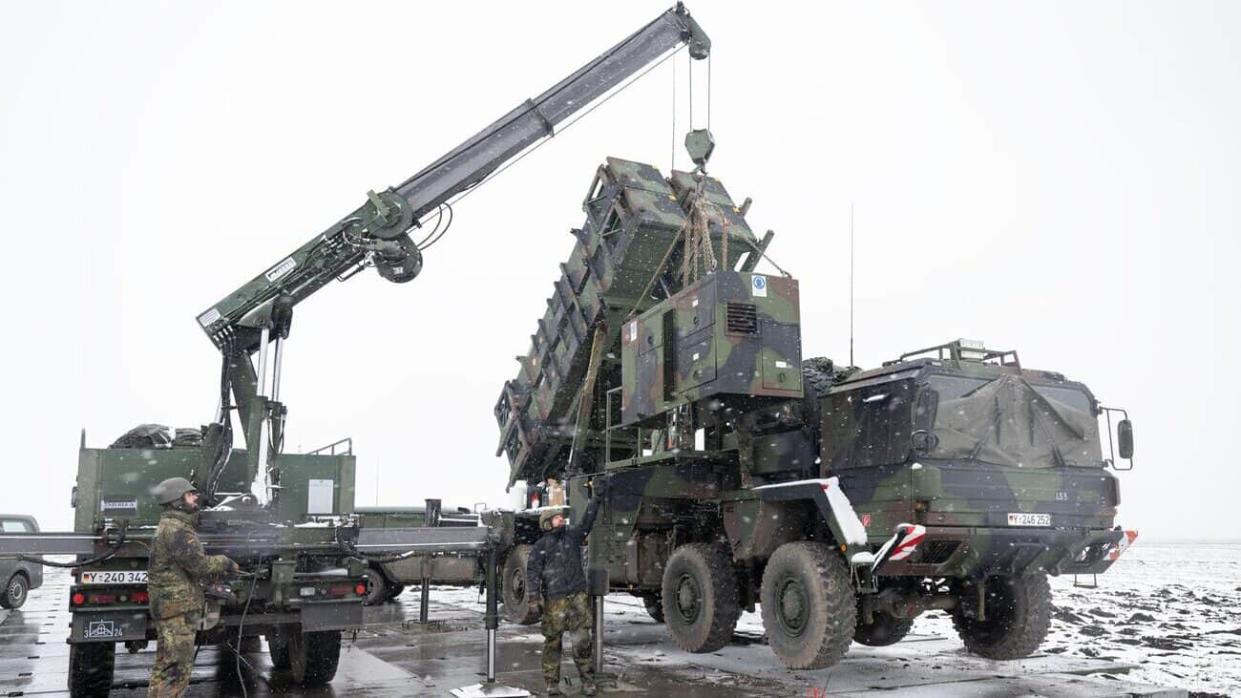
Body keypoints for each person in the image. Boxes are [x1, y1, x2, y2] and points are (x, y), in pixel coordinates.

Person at [146, 477, 238, 697]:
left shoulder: (171, 526)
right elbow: (198, 565)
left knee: (165, 667)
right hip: (177, 609)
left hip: (170, 607)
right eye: (189, 494)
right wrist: (225, 562)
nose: (195, 497)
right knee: (176, 671)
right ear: (177, 501)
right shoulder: (178, 531)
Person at [527, 479, 606, 696]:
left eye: (562, 516)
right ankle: (552, 684)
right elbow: (532, 572)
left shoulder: (573, 536)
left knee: (582, 641)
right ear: (547, 522)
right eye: (557, 517)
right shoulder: (540, 547)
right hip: (554, 600)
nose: (562, 519)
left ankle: (588, 682)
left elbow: (588, 521)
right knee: (553, 643)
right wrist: (534, 597)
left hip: (577, 598)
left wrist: (595, 499)